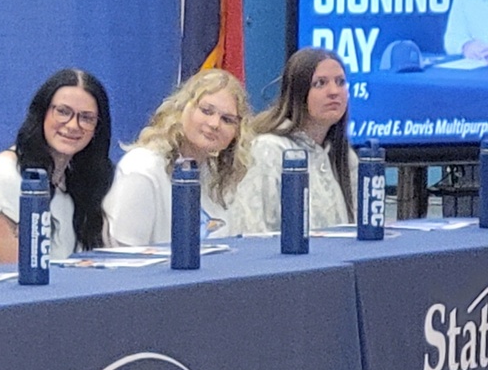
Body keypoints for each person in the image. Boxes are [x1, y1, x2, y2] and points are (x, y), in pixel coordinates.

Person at [0, 68, 114, 265]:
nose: (73, 125)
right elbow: (23, 270)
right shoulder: (3, 173)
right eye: (63, 112)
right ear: (42, 113)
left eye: (86, 118)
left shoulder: (81, 181)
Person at [103, 69, 250, 246]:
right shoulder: (142, 168)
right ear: (182, 108)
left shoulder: (219, 175)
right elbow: (125, 256)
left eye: (227, 119)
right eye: (206, 111)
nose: (214, 124)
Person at [234, 47, 357, 233]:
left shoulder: (344, 156)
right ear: (298, 93)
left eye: (340, 82)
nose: (334, 91)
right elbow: (252, 230)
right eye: (320, 83)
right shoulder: (268, 150)